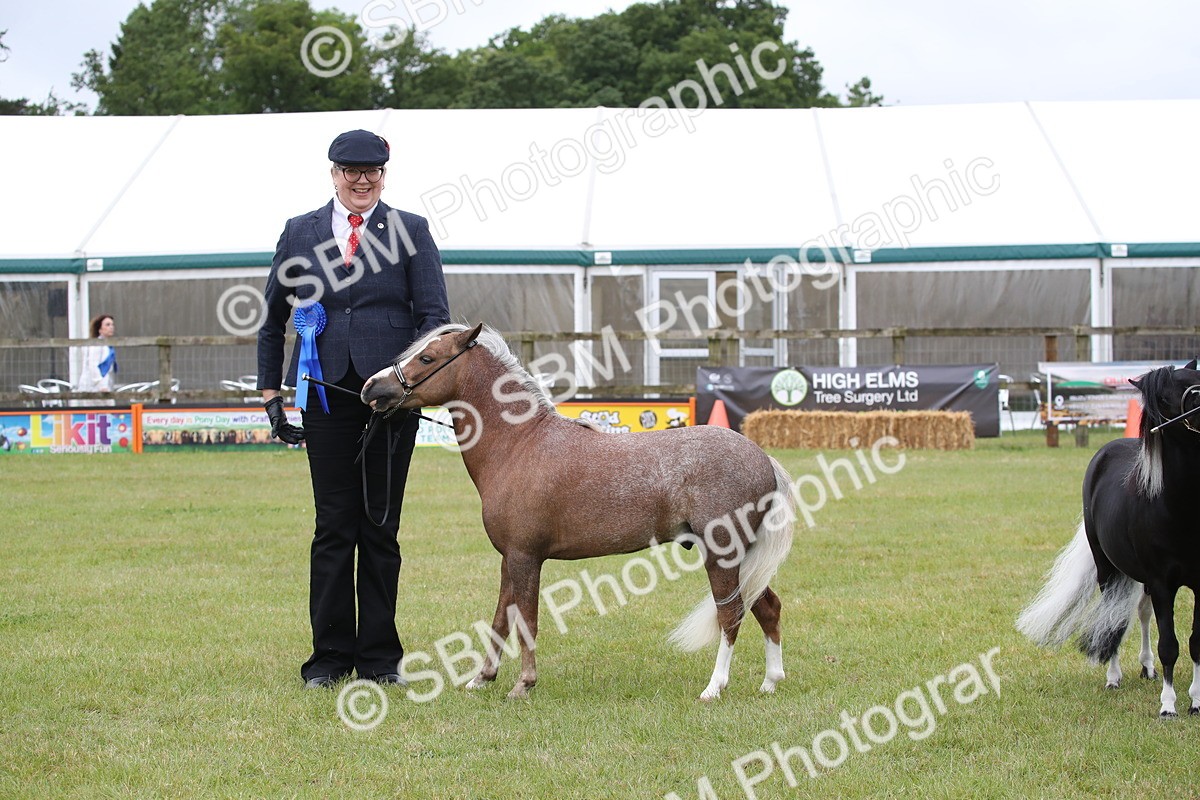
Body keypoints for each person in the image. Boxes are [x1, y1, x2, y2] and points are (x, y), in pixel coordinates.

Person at [257, 129, 451, 690]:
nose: (361, 180)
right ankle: (329, 657)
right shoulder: (300, 232)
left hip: (389, 400)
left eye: (372, 171)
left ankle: (381, 657)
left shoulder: (411, 230)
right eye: (350, 170)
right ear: (333, 173)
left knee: (381, 527)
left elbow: (434, 318)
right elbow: (272, 320)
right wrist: (272, 394)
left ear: (384, 174)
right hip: (323, 394)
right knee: (333, 526)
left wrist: (405, 384)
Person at [77, 314, 118, 404]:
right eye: (107, 325)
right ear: (100, 329)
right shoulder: (96, 345)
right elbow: (93, 365)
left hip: (104, 386)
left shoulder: (107, 345)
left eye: (112, 325)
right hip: (94, 387)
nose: (111, 327)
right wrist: (101, 385)